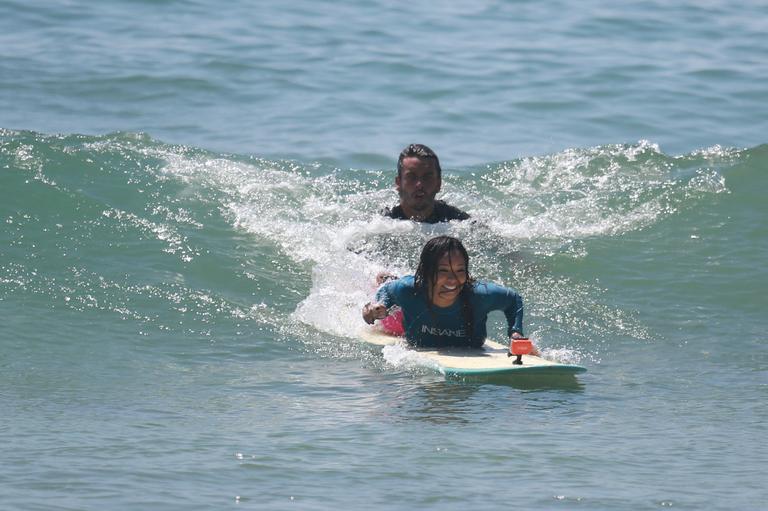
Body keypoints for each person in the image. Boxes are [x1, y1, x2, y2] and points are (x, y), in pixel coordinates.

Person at [362, 236, 535, 353]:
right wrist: (380, 305)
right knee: (389, 317)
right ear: (426, 272)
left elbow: (513, 299)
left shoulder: (480, 295)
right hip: (408, 314)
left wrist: (515, 333)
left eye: (460, 271)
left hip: (427, 302)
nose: (453, 280)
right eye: (443, 271)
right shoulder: (407, 290)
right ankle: (385, 276)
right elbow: (387, 291)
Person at [383, 144, 470, 223]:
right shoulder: (383, 222)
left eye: (427, 177)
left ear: (438, 184)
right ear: (398, 183)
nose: (419, 184)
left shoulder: (457, 221)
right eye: (411, 177)